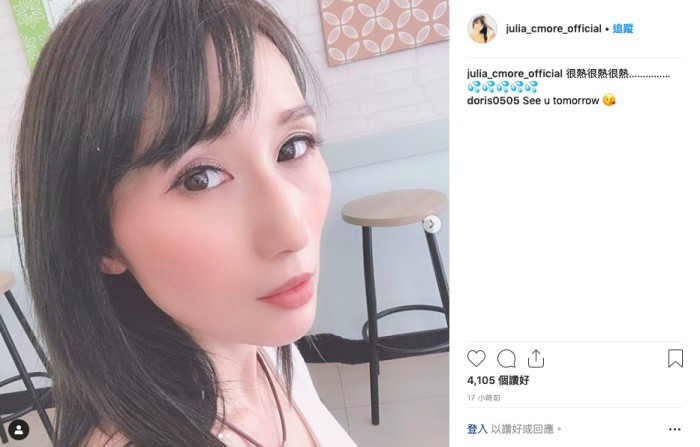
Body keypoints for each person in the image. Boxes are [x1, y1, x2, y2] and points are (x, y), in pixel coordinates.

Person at [12, 0, 357, 445]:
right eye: (201, 178)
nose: (293, 231)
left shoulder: (264, 351)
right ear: (99, 237)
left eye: (292, 147)